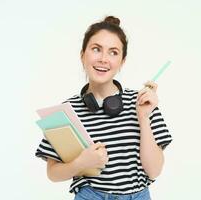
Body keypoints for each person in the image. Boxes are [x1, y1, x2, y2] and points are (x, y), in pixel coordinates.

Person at [35, 16, 172, 200]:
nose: (103, 59)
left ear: (122, 61)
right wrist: (80, 163)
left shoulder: (142, 102)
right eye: (96, 49)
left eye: (113, 52)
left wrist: (143, 118)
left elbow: (154, 171)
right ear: (82, 54)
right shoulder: (65, 112)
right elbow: (52, 173)